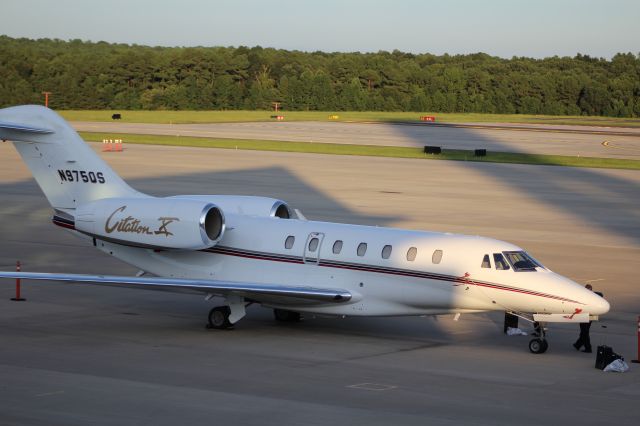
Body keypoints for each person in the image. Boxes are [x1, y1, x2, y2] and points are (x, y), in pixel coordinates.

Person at [573, 284, 597, 353]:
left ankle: (588, 348)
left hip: (586, 317)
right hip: (589, 317)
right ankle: (577, 344)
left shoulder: (585, 297)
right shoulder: (593, 296)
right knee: (584, 332)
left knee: (584, 332)